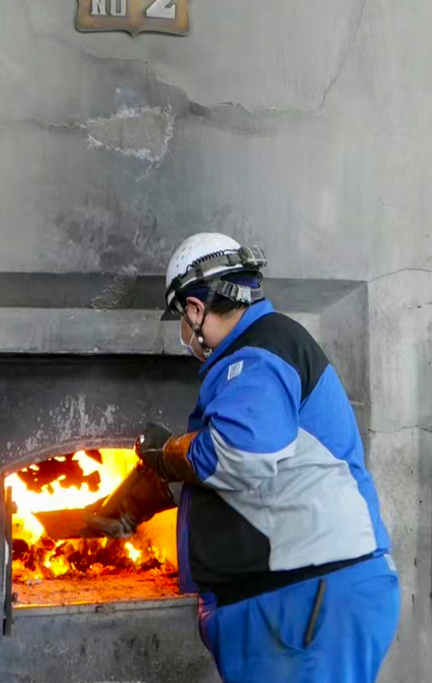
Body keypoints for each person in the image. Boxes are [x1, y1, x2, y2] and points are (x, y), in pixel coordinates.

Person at [91, 232, 400, 683]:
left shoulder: (259, 353)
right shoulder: (262, 351)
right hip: (300, 597)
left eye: (182, 319)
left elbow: (238, 456)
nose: (184, 334)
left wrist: (166, 454)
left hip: (307, 600)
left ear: (195, 309)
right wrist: (151, 490)